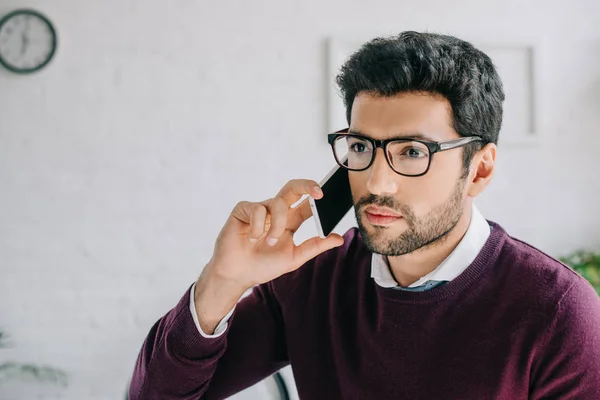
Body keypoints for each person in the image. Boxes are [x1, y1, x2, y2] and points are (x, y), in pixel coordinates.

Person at [128, 31, 600, 400]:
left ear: (479, 170)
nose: (375, 182)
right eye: (360, 147)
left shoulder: (555, 310)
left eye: (413, 151)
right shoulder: (309, 277)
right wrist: (223, 281)